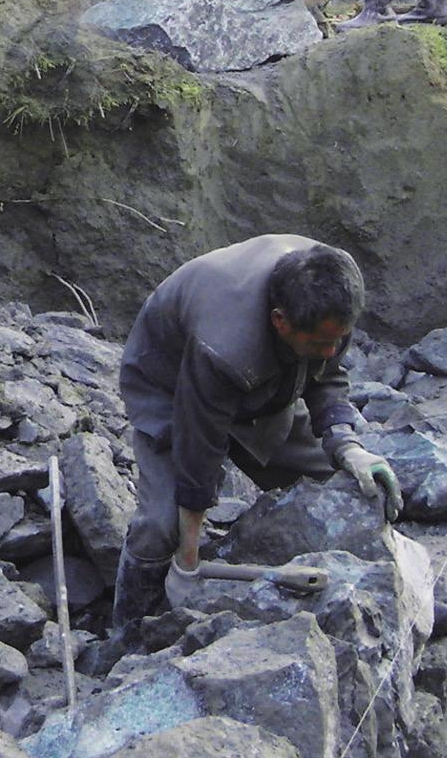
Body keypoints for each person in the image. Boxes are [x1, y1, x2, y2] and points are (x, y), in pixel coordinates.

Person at [111, 235, 402, 630]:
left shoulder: (334, 289)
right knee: (161, 526)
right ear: (280, 320)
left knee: (346, 488)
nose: (332, 350)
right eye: (321, 342)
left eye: (337, 341)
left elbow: (327, 373)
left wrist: (346, 444)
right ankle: (127, 628)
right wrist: (188, 560)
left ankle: (397, 596)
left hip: (266, 383)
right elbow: (200, 450)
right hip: (169, 385)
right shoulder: (226, 345)